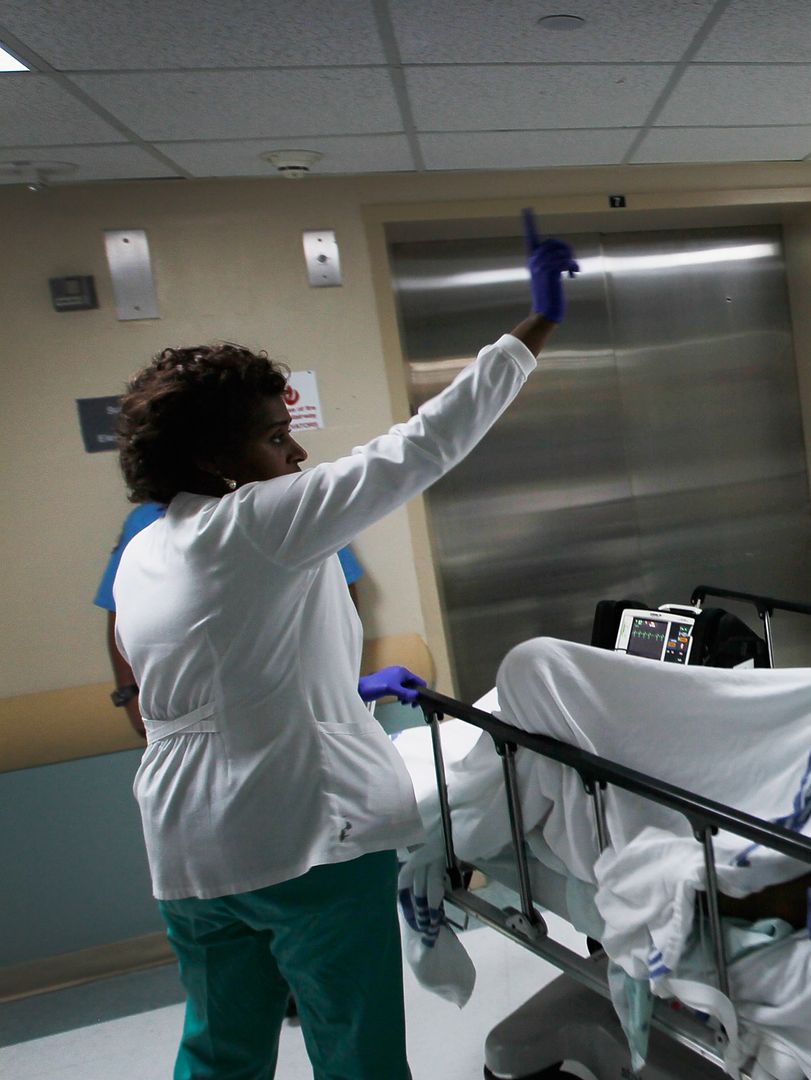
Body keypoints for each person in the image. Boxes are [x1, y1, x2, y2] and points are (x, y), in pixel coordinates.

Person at [111, 215, 576, 1080]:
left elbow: (197, 680)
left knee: (219, 1052)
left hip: (186, 849)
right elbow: (419, 448)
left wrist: (344, 692)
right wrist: (534, 326)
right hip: (302, 841)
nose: (295, 454)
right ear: (218, 460)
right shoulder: (252, 521)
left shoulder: (147, 546)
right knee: (355, 1051)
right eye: (273, 438)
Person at [96, 503, 366, 742]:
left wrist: (342, 676)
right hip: (198, 711)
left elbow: (343, 590)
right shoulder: (147, 522)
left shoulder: (294, 507)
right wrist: (128, 693)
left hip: (292, 694)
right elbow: (121, 613)